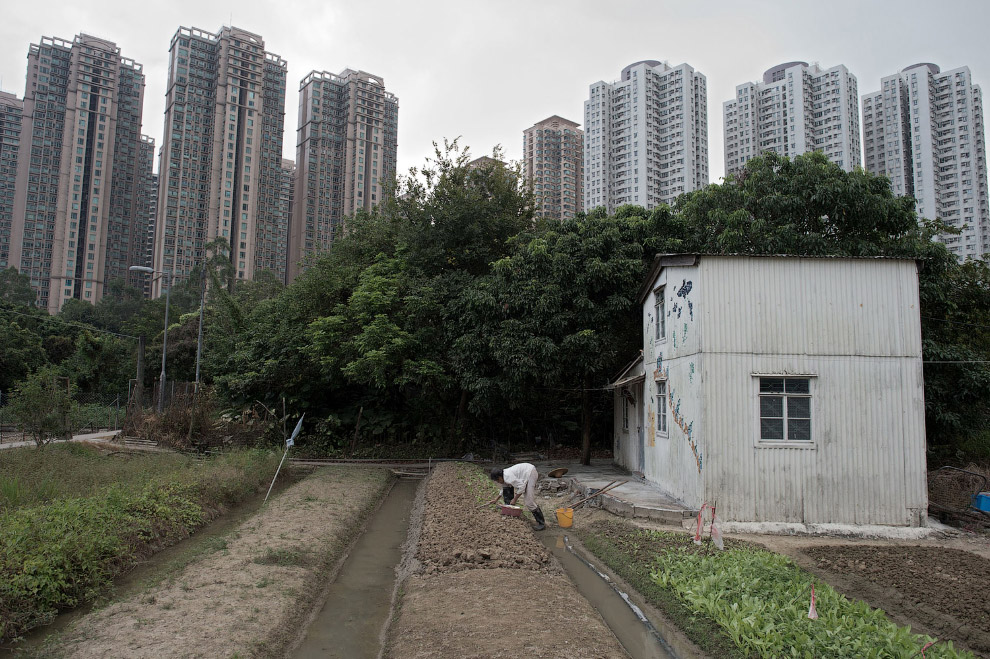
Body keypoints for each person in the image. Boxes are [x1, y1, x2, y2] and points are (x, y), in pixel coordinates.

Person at [488, 463, 545, 530]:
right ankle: (508, 507)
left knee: (529, 502)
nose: (498, 482)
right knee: (506, 489)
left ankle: (541, 523)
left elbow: (522, 486)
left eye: (497, 480)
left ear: (500, 477)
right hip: (524, 473)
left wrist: (515, 499)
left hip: (530, 473)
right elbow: (503, 490)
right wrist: (496, 499)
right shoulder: (504, 477)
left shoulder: (508, 477)